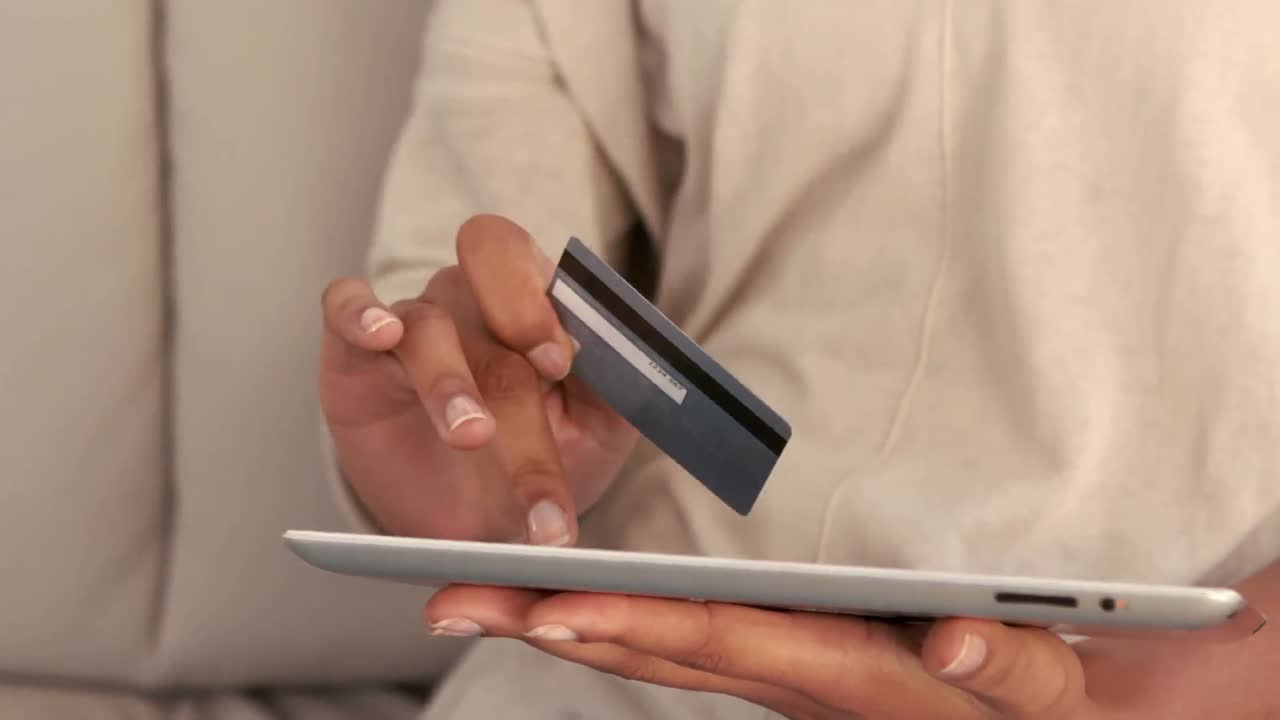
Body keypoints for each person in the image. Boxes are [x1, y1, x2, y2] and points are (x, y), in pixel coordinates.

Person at [319, 1, 1280, 717]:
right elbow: (473, 278)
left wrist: (1224, 679)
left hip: (1200, 661)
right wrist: (470, 462)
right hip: (628, 665)